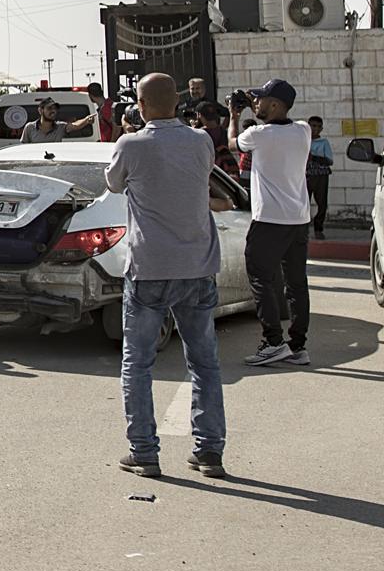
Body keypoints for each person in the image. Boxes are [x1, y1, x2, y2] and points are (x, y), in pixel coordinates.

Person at [108, 73, 231, 479]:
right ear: (178, 102)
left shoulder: (130, 144)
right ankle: (209, 452)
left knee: (138, 363)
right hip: (197, 265)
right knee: (204, 363)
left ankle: (144, 452)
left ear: (140, 106)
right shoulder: (200, 141)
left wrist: (131, 135)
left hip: (149, 268)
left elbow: (114, 183)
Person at [232, 79, 313, 367]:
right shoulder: (303, 130)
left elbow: (232, 143)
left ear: (276, 105)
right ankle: (298, 346)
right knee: (296, 284)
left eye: (262, 100)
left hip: (268, 221)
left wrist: (234, 116)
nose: (256, 104)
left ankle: (273, 341)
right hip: (299, 220)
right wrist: (250, 108)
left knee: (260, 278)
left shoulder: (259, 134)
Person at [20, 96, 95, 144]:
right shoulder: (29, 127)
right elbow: (23, 148)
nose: (53, 111)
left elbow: (75, 125)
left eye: (55, 108)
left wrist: (86, 120)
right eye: (49, 108)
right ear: (40, 110)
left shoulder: (60, 127)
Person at [306, 116, 334, 237]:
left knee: (322, 203)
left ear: (321, 129)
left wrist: (314, 157)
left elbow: (329, 161)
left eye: (318, 127)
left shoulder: (324, 143)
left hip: (320, 176)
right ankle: (304, 228)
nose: (315, 129)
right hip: (305, 176)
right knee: (304, 203)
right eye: (313, 126)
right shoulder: (303, 141)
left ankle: (318, 228)